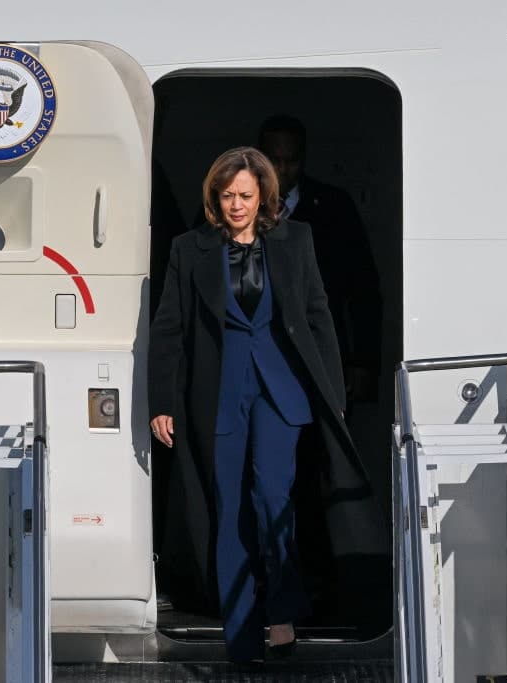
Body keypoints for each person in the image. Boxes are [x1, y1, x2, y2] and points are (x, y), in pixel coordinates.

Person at [148, 147, 373, 662]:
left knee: (274, 499)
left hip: (281, 390)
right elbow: (169, 329)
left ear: (263, 195)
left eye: (245, 196)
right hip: (218, 394)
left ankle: (281, 612)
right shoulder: (190, 249)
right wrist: (163, 401)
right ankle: (242, 626)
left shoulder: (296, 240)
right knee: (229, 507)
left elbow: (318, 317)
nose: (236, 205)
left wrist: (332, 395)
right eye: (227, 196)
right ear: (214, 197)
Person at [257, 115, 382, 403]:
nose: (283, 170)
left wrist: (363, 361)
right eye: (275, 160)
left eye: (292, 160)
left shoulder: (334, 208)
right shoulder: (234, 208)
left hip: (320, 354)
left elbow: (363, 289)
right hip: (258, 356)